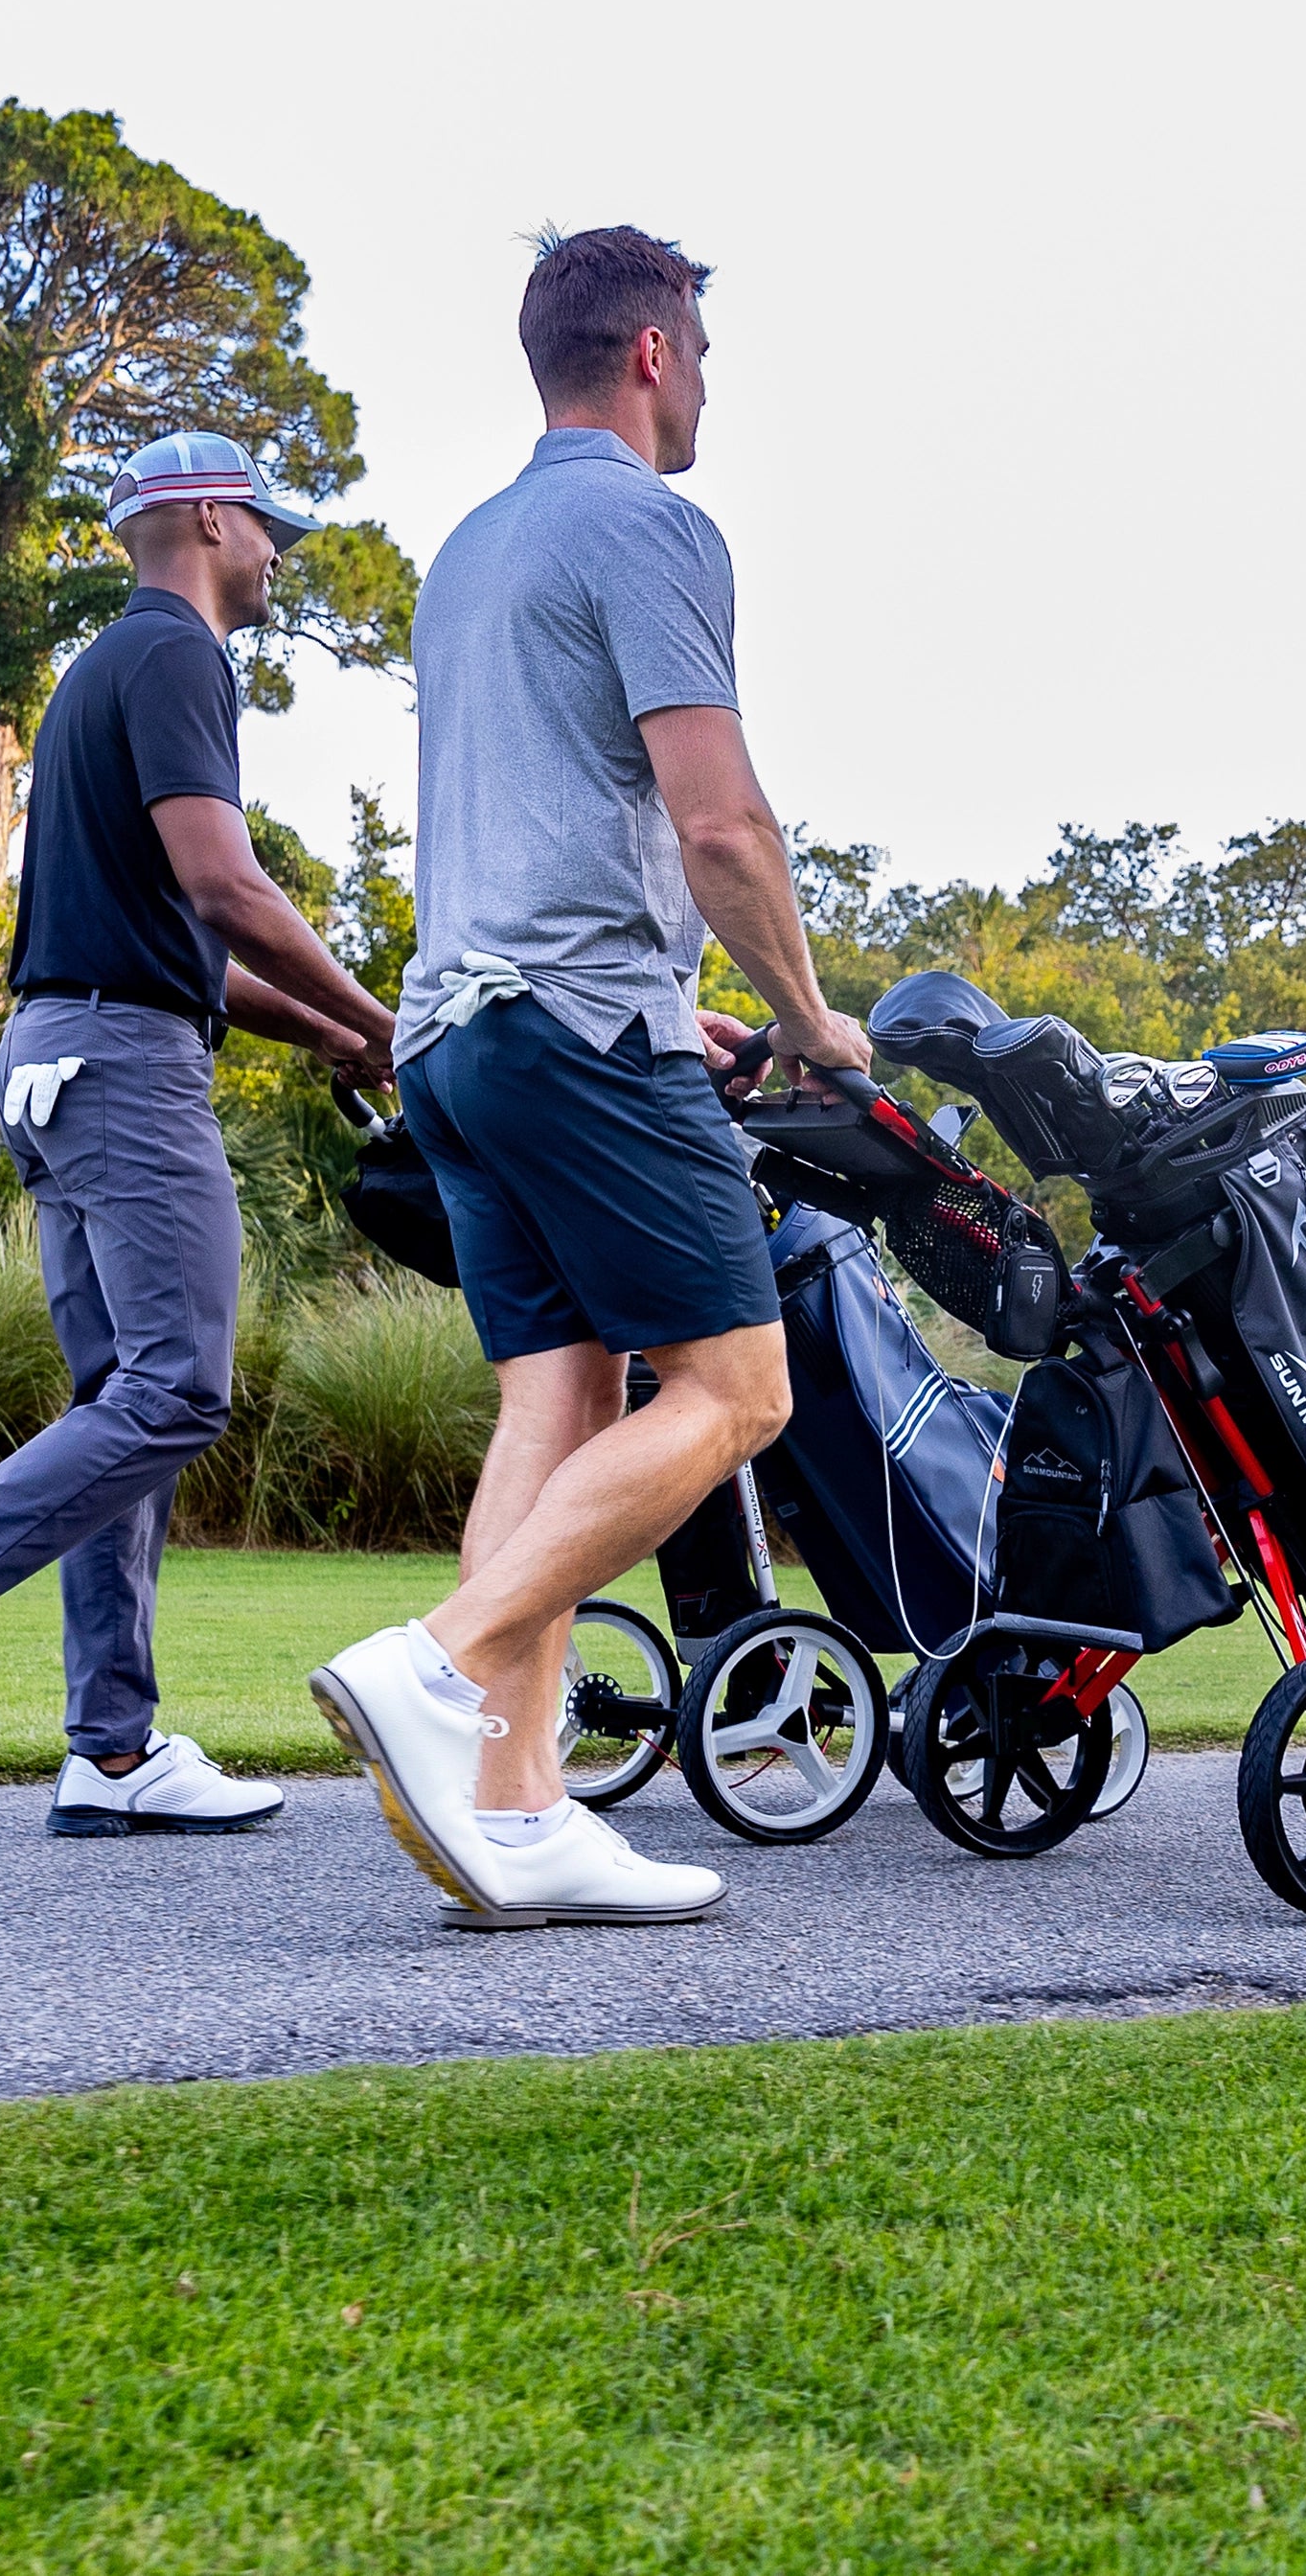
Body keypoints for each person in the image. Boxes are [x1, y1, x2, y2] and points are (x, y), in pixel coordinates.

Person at [305, 227, 869, 1929]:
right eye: (698, 353)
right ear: (648, 352)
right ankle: (443, 1661)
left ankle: (519, 1804)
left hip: (455, 1042)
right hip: (576, 1030)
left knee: (558, 1403)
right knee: (740, 1395)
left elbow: (547, 818)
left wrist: (659, 993)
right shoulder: (650, 525)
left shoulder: (470, 551)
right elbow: (719, 820)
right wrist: (807, 1012)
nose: (704, 387)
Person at [0, 430, 401, 1836]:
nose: (279, 551)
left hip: (53, 1054)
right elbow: (225, 890)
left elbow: (183, 943)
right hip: (120, 1069)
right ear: (210, 519)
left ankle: (112, 1751)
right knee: (176, 1394)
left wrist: (336, 1034)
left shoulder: (94, 676)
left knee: (123, 1400)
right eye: (268, 527)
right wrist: (388, 1020)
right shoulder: (178, 656)